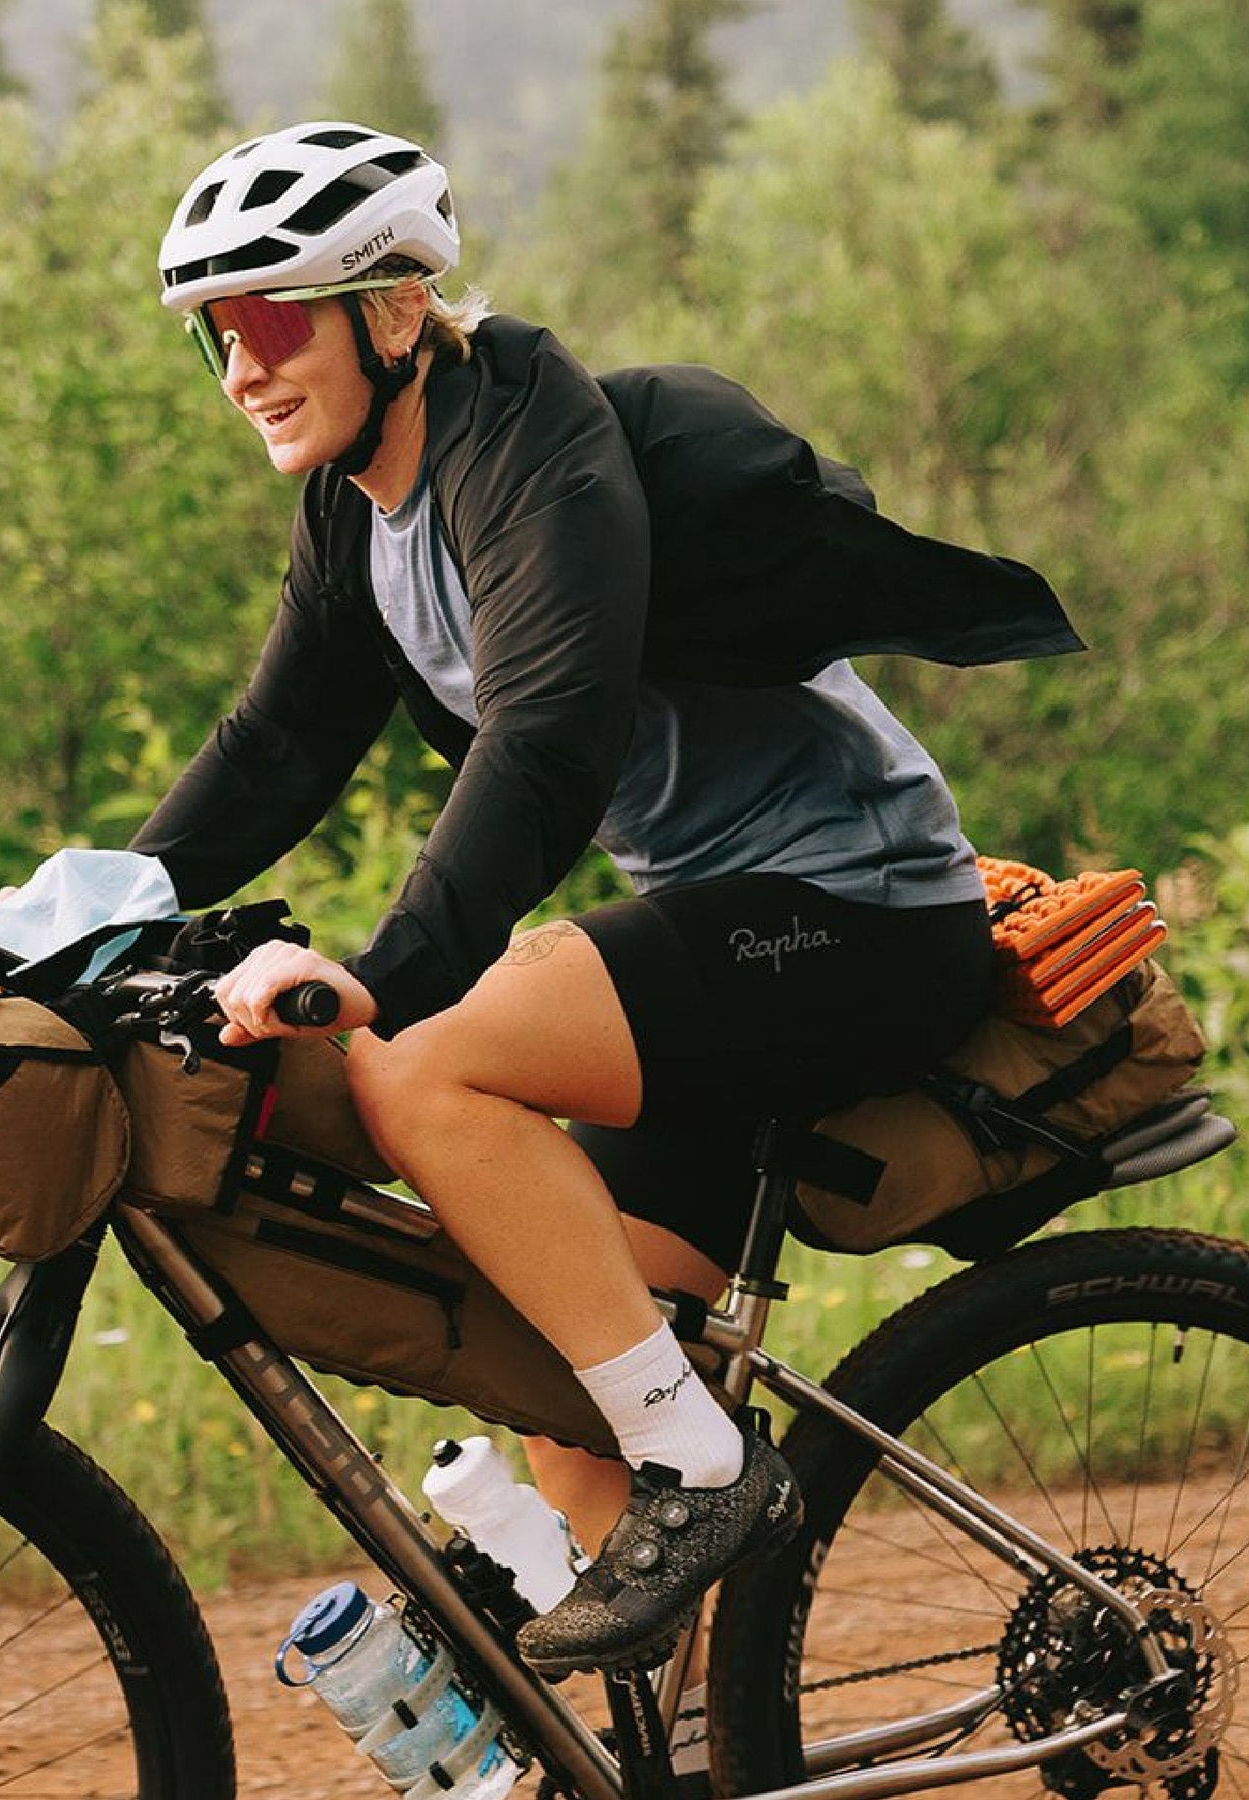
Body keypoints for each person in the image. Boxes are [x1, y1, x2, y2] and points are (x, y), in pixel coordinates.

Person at [132, 121, 1081, 1676]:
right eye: (215, 334)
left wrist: (396, 968)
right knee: (576, 1388)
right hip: (719, 949)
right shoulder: (356, 513)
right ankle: (685, 1746)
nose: (240, 368)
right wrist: (65, 915)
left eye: (269, 321)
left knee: (419, 1065)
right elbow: (274, 749)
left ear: (391, 310)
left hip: (855, 913)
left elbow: (549, 735)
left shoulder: (529, 438)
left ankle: (707, 1472)